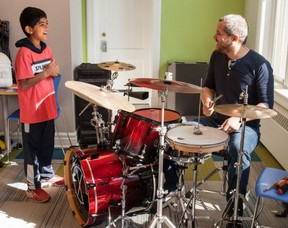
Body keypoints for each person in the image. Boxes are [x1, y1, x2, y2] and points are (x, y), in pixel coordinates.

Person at [191, 14, 274, 216]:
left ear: (234, 38)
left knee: (237, 148)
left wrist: (240, 118)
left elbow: (265, 105)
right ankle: (170, 188)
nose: (214, 37)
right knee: (177, 129)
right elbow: (208, 86)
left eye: (219, 34)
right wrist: (206, 100)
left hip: (247, 126)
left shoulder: (260, 65)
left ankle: (234, 205)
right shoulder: (217, 56)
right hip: (215, 119)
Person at [14, 7, 64, 203]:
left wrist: (51, 72)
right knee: (32, 152)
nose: (46, 28)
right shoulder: (24, 54)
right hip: (32, 113)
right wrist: (46, 73)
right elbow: (24, 83)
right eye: (41, 24)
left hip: (47, 109)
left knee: (46, 146)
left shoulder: (46, 48)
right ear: (28, 29)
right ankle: (32, 187)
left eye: (47, 23)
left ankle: (47, 173)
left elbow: (52, 70)